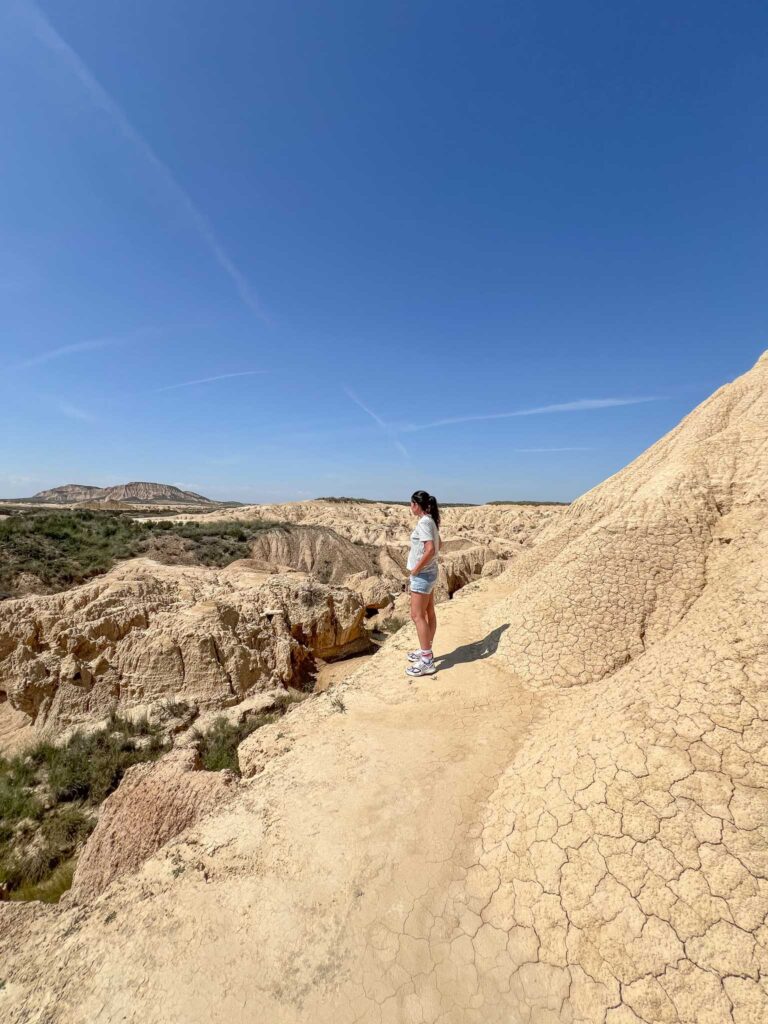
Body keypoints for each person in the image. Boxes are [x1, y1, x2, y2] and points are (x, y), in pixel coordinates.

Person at [404, 490, 441, 677]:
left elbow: (430, 548)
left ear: (416, 505)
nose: (410, 508)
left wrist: (416, 569)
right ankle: (426, 648)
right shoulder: (431, 521)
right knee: (428, 613)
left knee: (417, 616)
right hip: (431, 573)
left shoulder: (424, 522)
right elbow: (439, 545)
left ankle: (427, 660)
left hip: (423, 576)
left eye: (411, 504)